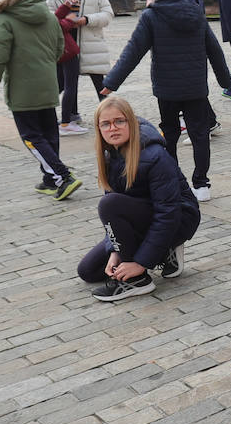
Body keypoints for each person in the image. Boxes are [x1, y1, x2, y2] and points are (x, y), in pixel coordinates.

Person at [102, 0, 231, 203]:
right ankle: (201, 184)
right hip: (195, 88)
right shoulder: (196, 12)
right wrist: (226, 81)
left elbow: (133, 51)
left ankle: (174, 181)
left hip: (167, 89)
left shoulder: (151, 15)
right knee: (199, 134)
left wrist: (111, 82)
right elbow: (214, 50)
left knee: (169, 134)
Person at [77, 96, 200, 302]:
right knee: (88, 271)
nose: (113, 128)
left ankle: (139, 281)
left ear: (131, 123)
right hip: (144, 219)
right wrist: (115, 250)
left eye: (120, 121)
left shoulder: (155, 156)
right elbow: (113, 218)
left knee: (109, 204)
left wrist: (141, 264)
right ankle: (164, 252)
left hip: (178, 219)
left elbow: (168, 213)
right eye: (105, 124)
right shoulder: (110, 155)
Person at [0, 0, 80, 199]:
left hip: (22, 87)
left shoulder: (4, 17)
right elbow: (59, 47)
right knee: (48, 133)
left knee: (31, 136)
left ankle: (62, 176)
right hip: (47, 82)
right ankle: (49, 179)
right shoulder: (47, 13)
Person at [46, 0, 116, 136]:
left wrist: (87, 19)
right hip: (65, 46)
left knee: (101, 84)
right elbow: (49, 20)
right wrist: (67, 21)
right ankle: (69, 115)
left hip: (91, 43)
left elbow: (108, 14)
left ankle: (109, 116)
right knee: (64, 83)